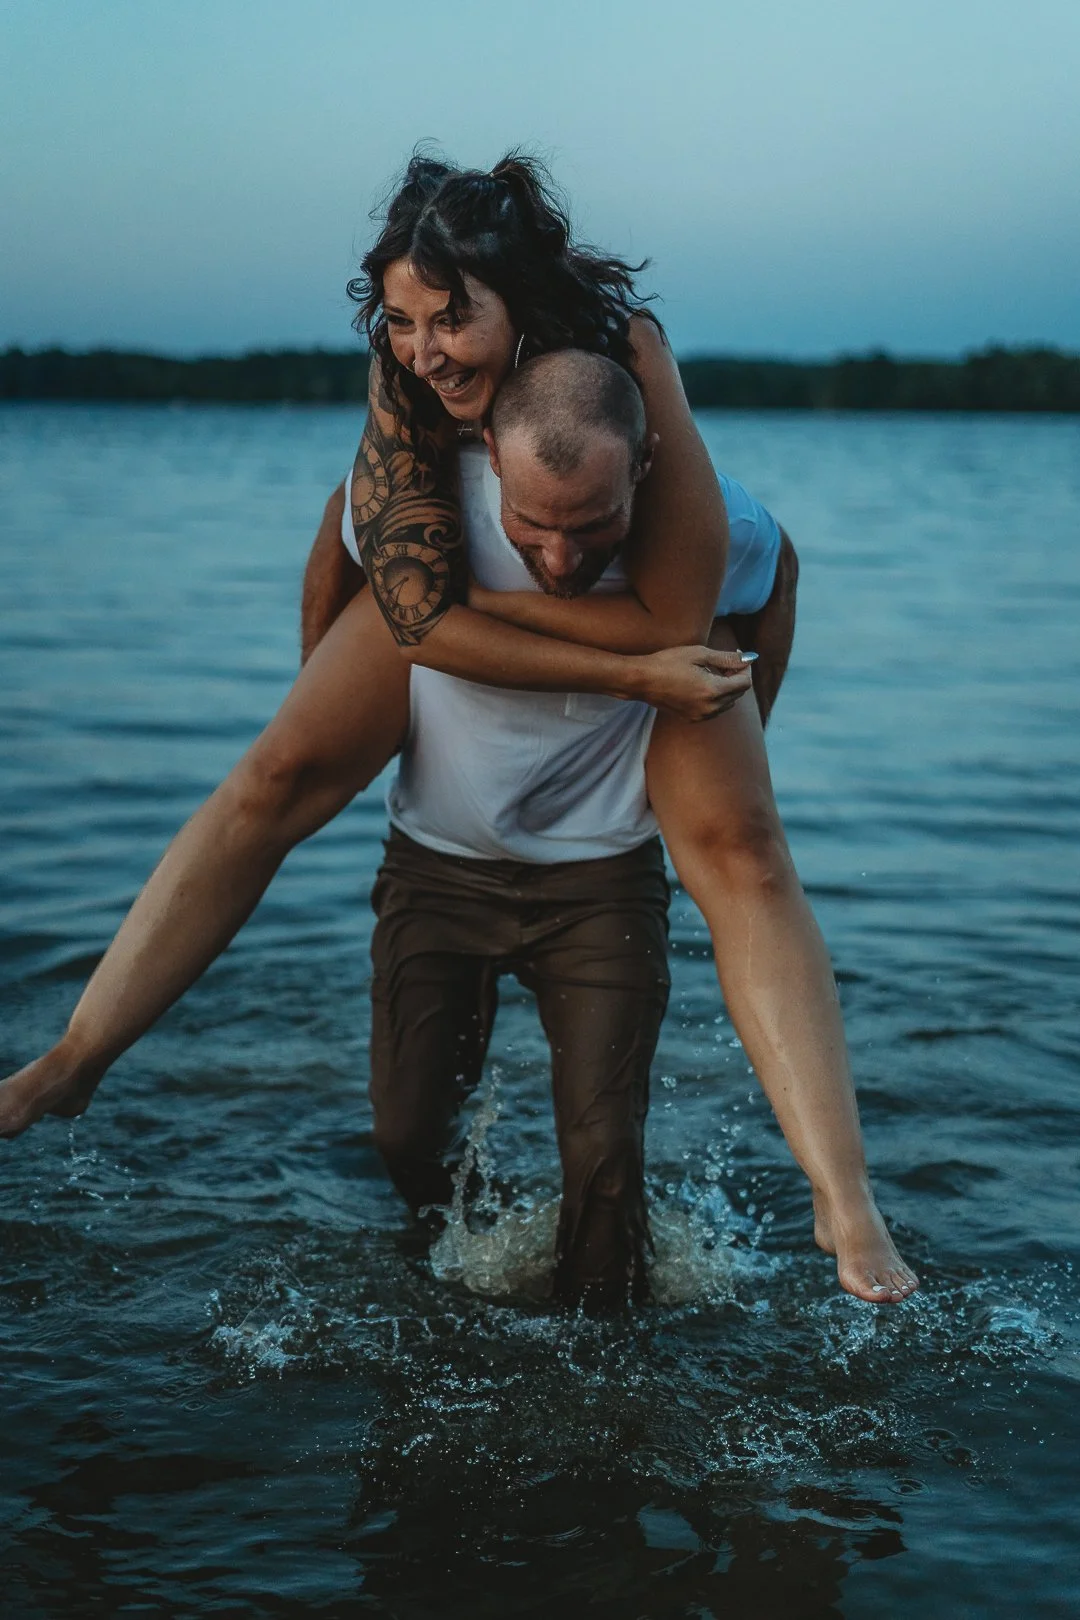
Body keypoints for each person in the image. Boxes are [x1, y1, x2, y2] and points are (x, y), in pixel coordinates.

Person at [0, 152, 917, 1303]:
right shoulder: (408, 396)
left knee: (744, 855)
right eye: (400, 320)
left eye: (451, 318)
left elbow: (702, 603)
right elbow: (386, 591)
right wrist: (367, 650)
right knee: (276, 774)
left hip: (629, 700)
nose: (425, 347)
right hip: (441, 735)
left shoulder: (628, 368)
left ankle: (845, 1203)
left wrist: (723, 726)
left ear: (519, 302)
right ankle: (79, 1057)